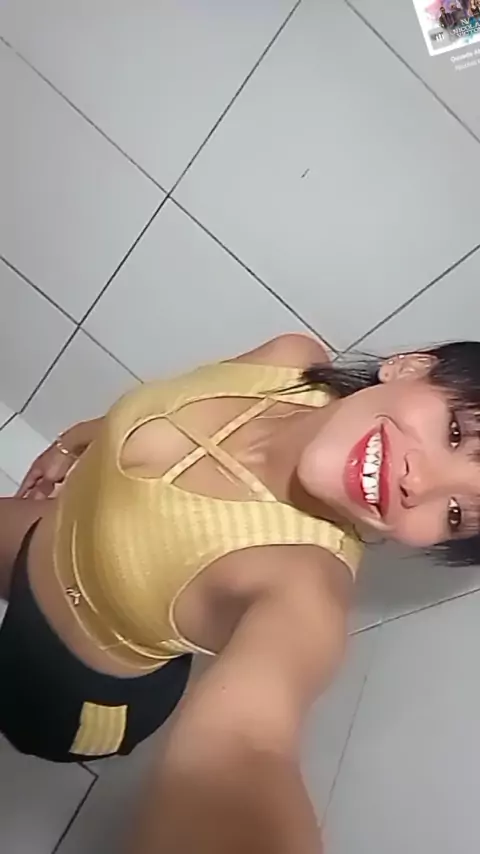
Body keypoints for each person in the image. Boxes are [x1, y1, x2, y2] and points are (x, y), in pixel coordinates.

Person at [2, 334, 480, 852]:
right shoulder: (289, 361)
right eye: (455, 432)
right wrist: (71, 443)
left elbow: (244, 747)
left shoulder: (304, 584)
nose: (419, 485)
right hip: (42, 535)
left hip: (69, 688)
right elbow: (149, 407)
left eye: (456, 513)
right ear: (409, 367)